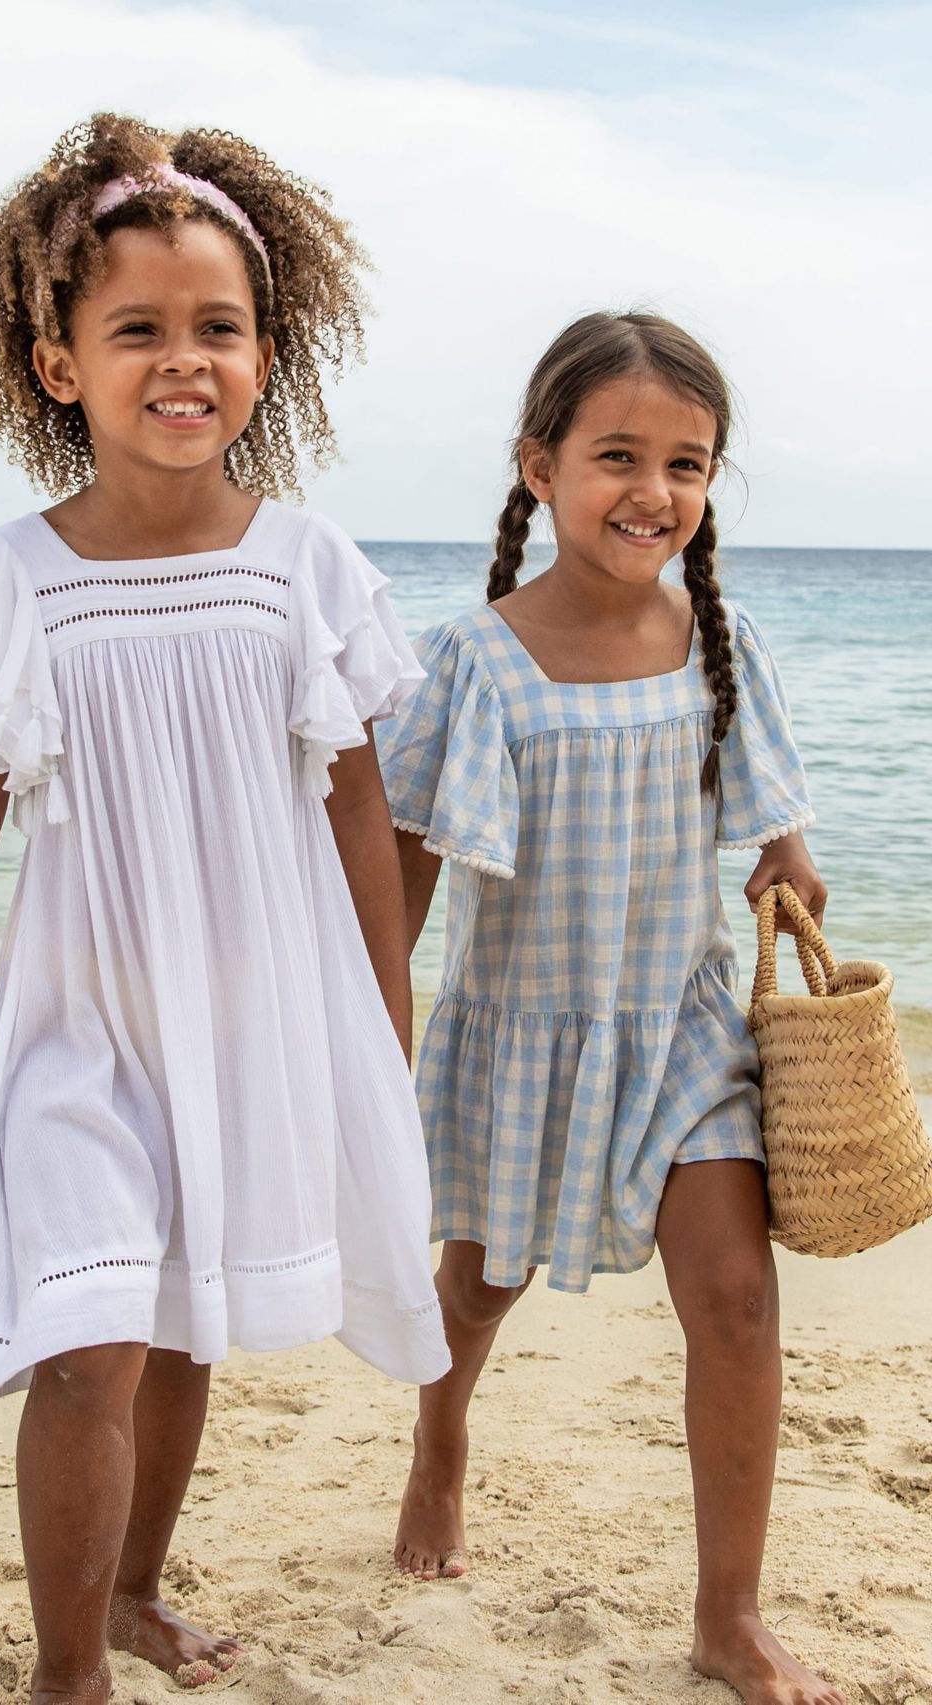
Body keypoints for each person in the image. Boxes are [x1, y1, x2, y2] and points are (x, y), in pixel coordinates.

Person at [0, 113, 449, 1703]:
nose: (185, 360)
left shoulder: (304, 566)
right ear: (59, 365)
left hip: (249, 1024)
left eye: (219, 327)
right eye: (138, 330)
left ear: (265, 356)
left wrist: (383, 1020)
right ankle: (67, 1675)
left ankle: (133, 1590)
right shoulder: (15, 575)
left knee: (180, 1329)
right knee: (89, 1339)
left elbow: (359, 807)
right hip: (81, 1025)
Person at [378, 311, 843, 1705]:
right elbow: (402, 873)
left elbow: (778, 835)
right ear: (540, 467)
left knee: (738, 1300)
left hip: (684, 1031)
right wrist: (371, 1030)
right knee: (479, 1287)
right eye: (619, 456)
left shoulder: (720, 640)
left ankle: (728, 1615)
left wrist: (791, 868)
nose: (654, 491)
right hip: (522, 1029)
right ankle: (441, 1442)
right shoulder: (472, 661)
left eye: (686, 464)